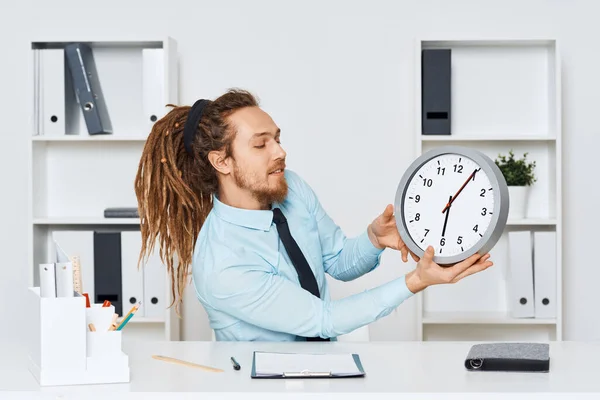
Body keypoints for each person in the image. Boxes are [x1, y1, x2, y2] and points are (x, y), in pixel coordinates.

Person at [134, 88, 493, 341]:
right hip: (259, 387)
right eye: (261, 144)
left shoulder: (289, 187)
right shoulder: (221, 264)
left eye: (277, 138)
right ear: (221, 161)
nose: (280, 151)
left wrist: (372, 239)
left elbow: (336, 260)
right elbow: (324, 319)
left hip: (325, 369)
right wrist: (417, 280)